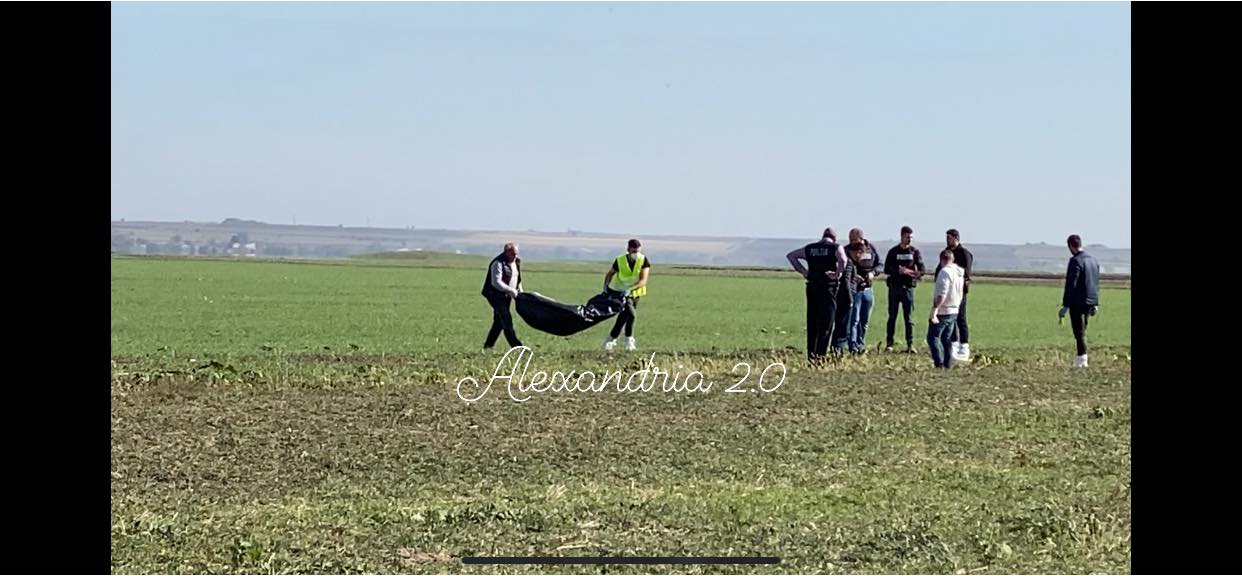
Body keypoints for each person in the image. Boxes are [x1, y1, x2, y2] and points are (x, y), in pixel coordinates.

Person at [787, 228, 847, 365]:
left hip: (812, 286)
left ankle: (811, 357)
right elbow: (843, 260)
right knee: (826, 323)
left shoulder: (810, 248)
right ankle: (820, 357)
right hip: (828, 287)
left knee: (813, 322)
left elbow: (791, 256)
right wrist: (838, 274)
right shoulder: (835, 247)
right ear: (834, 238)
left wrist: (804, 272)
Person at [1059, 234, 1101, 368]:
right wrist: (1095, 303)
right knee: (1082, 330)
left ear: (1071, 246)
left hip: (1077, 302)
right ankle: (1081, 358)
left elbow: (1071, 284)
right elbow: (1095, 282)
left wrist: (1065, 305)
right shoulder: (1093, 261)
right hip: (1090, 301)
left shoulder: (1075, 261)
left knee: (1079, 332)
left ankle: (1082, 360)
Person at [602, 239, 651, 351]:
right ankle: (629, 340)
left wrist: (631, 289)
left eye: (637, 250)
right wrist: (606, 286)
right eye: (634, 250)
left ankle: (610, 340)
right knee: (631, 315)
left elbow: (643, 280)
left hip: (635, 293)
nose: (636, 253)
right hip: (621, 293)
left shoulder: (643, 260)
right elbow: (610, 274)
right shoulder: (620, 260)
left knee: (623, 317)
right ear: (628, 249)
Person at [883, 226, 926, 353]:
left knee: (909, 318)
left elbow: (922, 269)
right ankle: (889, 344)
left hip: (908, 289)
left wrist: (917, 273)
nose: (910, 239)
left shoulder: (915, 252)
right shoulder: (893, 252)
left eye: (911, 237)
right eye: (907, 237)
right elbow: (886, 269)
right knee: (892, 317)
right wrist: (898, 271)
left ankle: (910, 344)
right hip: (894, 288)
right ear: (902, 236)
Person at [935, 229, 974, 361]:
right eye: (947, 238)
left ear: (956, 238)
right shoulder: (946, 253)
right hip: (947, 292)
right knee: (949, 318)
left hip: (959, 291)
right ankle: (953, 343)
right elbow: (939, 269)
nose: (947, 240)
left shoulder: (964, 254)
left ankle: (964, 345)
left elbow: (966, 273)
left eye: (950, 238)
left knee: (961, 318)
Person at [844, 228, 882, 354]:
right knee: (854, 320)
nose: (852, 242)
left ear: (861, 238)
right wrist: (853, 277)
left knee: (864, 321)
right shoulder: (846, 250)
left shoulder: (871, 249)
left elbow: (880, 264)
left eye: (854, 240)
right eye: (850, 239)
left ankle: (860, 344)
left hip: (868, 290)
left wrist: (873, 273)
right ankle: (853, 346)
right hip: (855, 290)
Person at [480, 242, 523, 350]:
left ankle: (488, 346)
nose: (515, 256)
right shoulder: (498, 263)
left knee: (498, 322)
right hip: (495, 295)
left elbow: (516, 278)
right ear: (506, 252)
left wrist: (520, 291)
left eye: (516, 253)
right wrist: (511, 290)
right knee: (506, 318)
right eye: (513, 254)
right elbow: (496, 282)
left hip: (507, 295)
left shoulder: (516, 261)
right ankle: (517, 346)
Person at [927, 249, 965, 369]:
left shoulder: (944, 272)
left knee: (933, 338)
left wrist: (935, 310)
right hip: (954, 309)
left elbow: (942, 294)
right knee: (946, 338)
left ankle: (939, 362)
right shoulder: (959, 273)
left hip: (943, 310)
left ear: (941, 260)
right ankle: (947, 363)